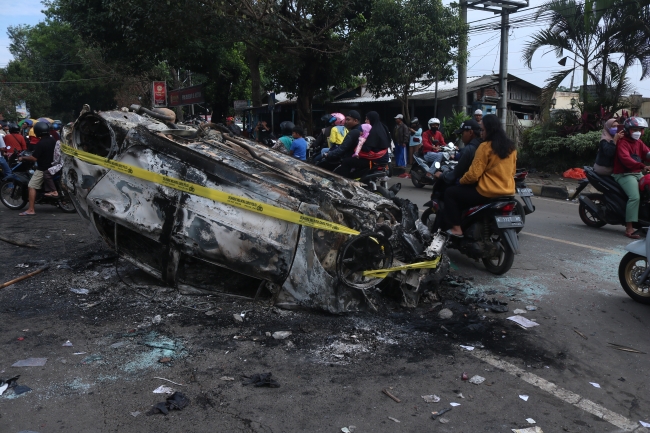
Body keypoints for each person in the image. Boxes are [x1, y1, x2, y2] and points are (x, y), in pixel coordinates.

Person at [443, 114, 517, 236]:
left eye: (482, 130)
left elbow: (473, 175)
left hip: (487, 192)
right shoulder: (511, 148)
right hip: (508, 192)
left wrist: (461, 181)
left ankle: (457, 229)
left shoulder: (485, 147)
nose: (481, 133)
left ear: (490, 130)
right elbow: (512, 171)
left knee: (450, 193)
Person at [612, 116, 650, 239]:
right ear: (628, 130)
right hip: (624, 174)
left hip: (637, 173)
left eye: (640, 129)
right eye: (635, 129)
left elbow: (647, 153)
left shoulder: (638, 142)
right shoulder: (622, 142)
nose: (638, 132)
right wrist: (642, 166)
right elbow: (625, 159)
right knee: (635, 197)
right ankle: (629, 228)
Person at [336, 111, 390, 178]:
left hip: (373, 160)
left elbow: (367, 149)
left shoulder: (373, 131)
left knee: (346, 161)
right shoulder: (383, 127)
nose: (365, 121)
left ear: (372, 119)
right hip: (383, 159)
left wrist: (358, 142)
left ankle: (344, 182)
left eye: (367, 119)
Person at [18, 121, 57, 216]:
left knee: (31, 186)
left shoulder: (41, 143)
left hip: (43, 168)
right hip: (54, 166)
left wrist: (23, 158)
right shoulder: (53, 140)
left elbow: (34, 158)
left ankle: (31, 209)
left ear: (37, 132)